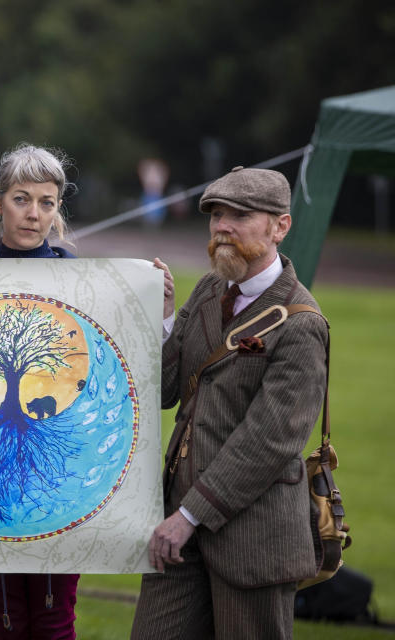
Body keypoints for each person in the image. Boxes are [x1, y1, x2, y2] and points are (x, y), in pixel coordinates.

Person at [132, 166, 329, 639]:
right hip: (178, 531)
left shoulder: (302, 323)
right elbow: (163, 392)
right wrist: (162, 321)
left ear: (280, 226)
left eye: (240, 215)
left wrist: (188, 516)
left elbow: (268, 442)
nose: (222, 225)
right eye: (216, 214)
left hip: (253, 541)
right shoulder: (207, 290)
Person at [0, 143, 79, 640]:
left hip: (54, 474)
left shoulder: (79, 279)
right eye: (21, 199)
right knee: (4, 617)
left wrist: (157, 304)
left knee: (55, 617)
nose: (33, 214)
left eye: (46, 202)